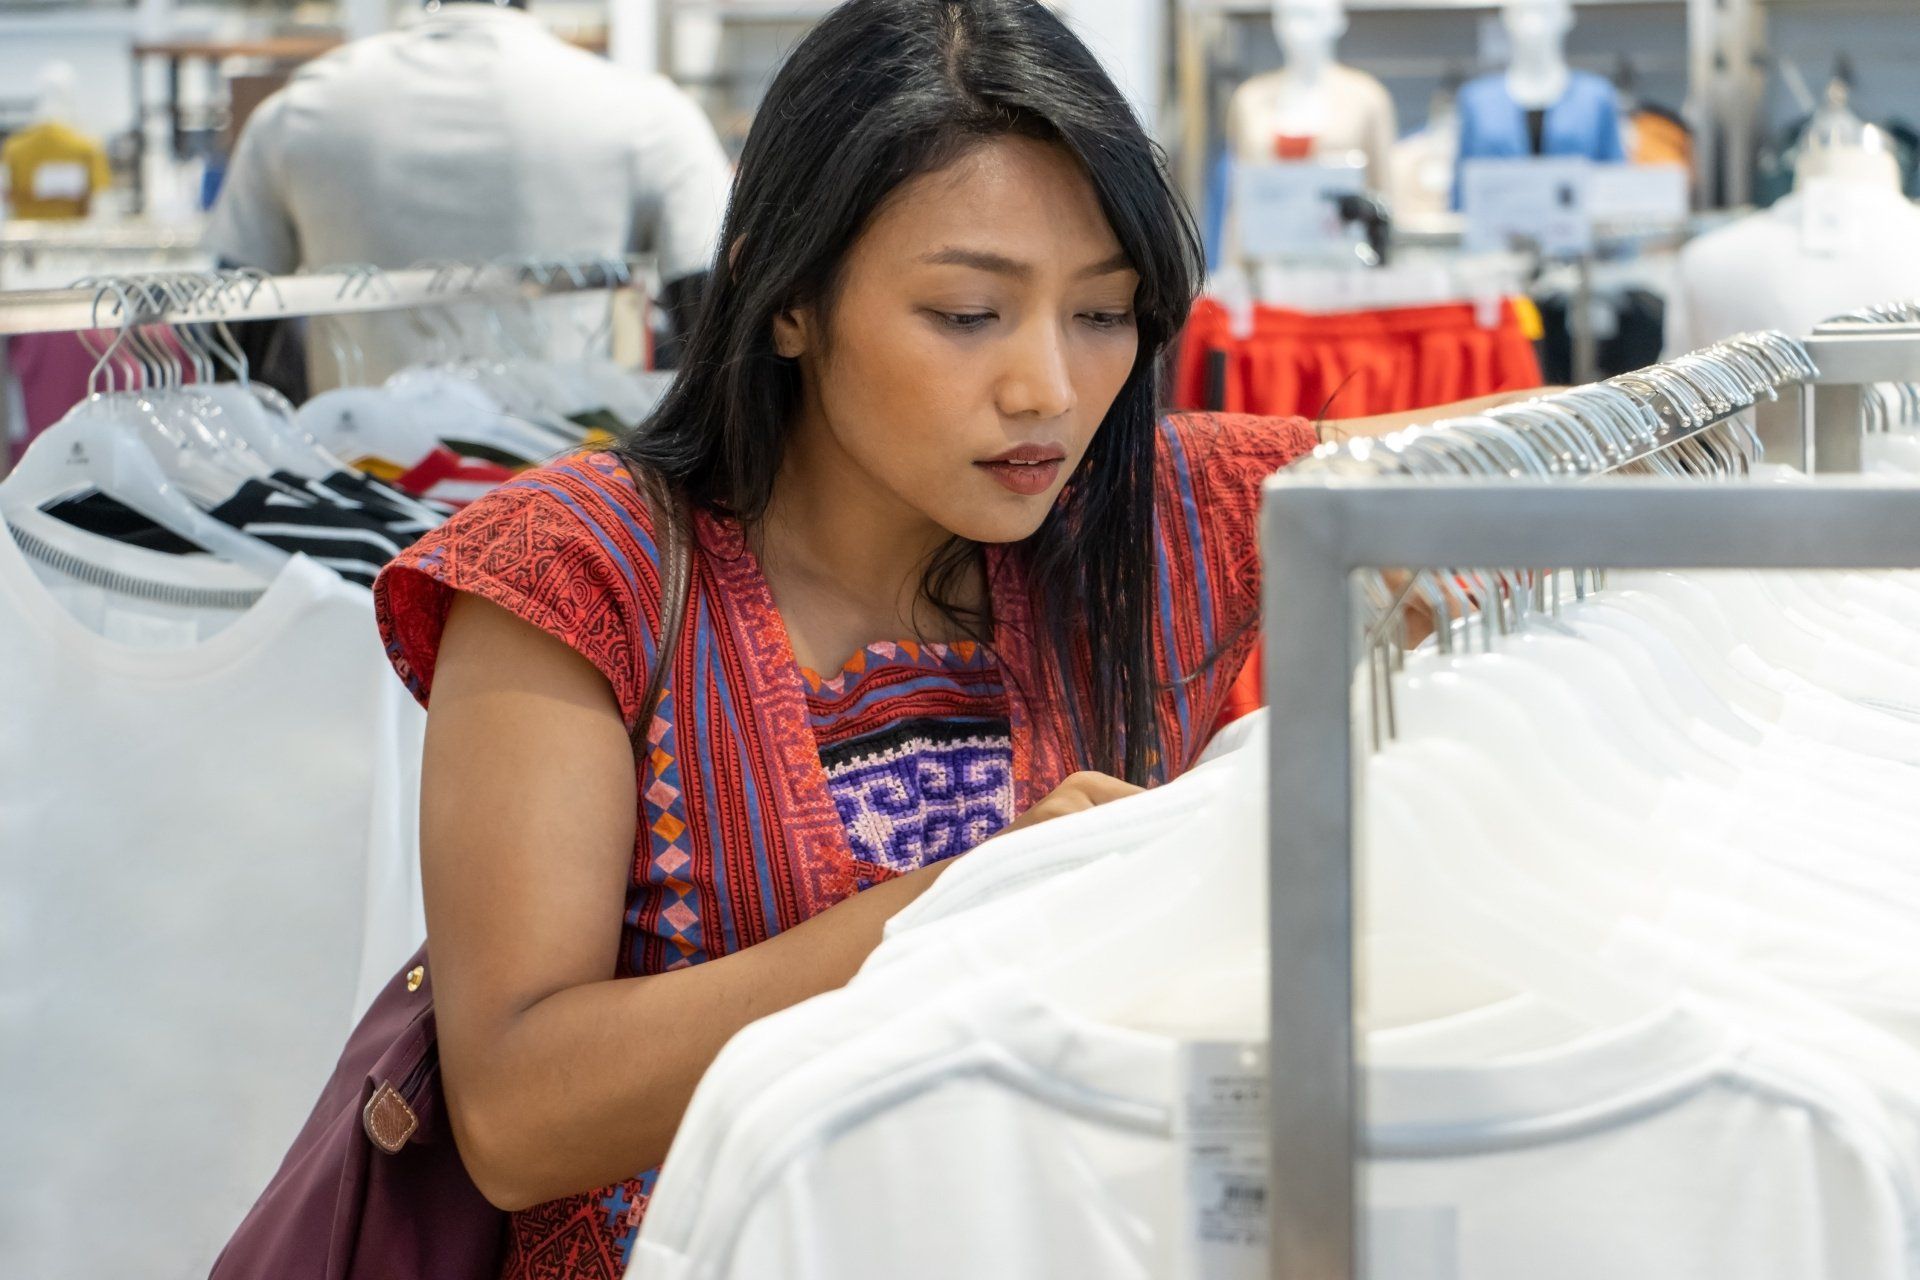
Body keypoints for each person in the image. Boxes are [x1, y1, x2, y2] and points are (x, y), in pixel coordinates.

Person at [373, 2, 1532, 1276]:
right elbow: (518, 1112)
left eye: (1104, 314)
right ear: (788, 299)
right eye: (970, 313)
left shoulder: (1156, 516)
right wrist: (975, 903)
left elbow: (1545, 458)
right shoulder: (579, 573)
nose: (1047, 386)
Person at [206, 0, 730, 391]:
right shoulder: (648, 113)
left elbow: (232, 333)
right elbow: (716, 327)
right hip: (568, 485)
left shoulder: (297, 112)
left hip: (355, 474)